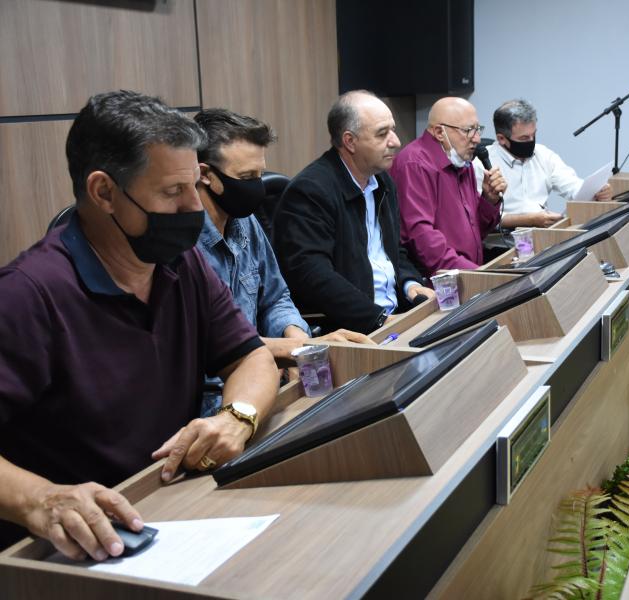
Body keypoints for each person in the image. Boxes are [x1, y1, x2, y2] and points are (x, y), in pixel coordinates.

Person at [0, 91, 280, 558]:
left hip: (172, 507)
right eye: (172, 192)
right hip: (70, 550)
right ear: (104, 192)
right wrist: (40, 499)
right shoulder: (26, 294)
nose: (194, 207)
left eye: (194, 186)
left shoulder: (182, 261)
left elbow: (250, 357)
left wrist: (237, 417)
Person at [193, 109, 374, 413]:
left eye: (259, 175)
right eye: (246, 178)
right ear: (205, 175)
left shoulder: (245, 222)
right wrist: (289, 349)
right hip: (212, 403)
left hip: (267, 382)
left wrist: (296, 335)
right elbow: (204, 346)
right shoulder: (183, 244)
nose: (257, 188)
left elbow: (276, 298)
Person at [274, 91, 434, 334]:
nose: (396, 141)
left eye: (392, 130)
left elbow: (393, 251)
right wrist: (378, 319)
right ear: (350, 141)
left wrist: (410, 283)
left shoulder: (382, 182)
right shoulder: (311, 191)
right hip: (355, 329)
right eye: (382, 133)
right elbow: (313, 276)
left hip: (395, 316)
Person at [390, 97, 508, 275]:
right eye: (468, 130)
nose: (477, 139)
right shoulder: (414, 165)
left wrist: (489, 201)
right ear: (439, 132)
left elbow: (476, 232)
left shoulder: (462, 161)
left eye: (478, 129)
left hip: (468, 272)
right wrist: (478, 274)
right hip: (438, 282)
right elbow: (423, 240)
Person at [475, 99, 613, 228]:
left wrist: (596, 191)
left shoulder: (543, 154)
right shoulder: (481, 165)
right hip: (503, 240)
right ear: (501, 139)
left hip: (542, 233)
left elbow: (572, 185)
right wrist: (529, 220)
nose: (531, 141)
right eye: (524, 138)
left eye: (533, 135)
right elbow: (480, 217)